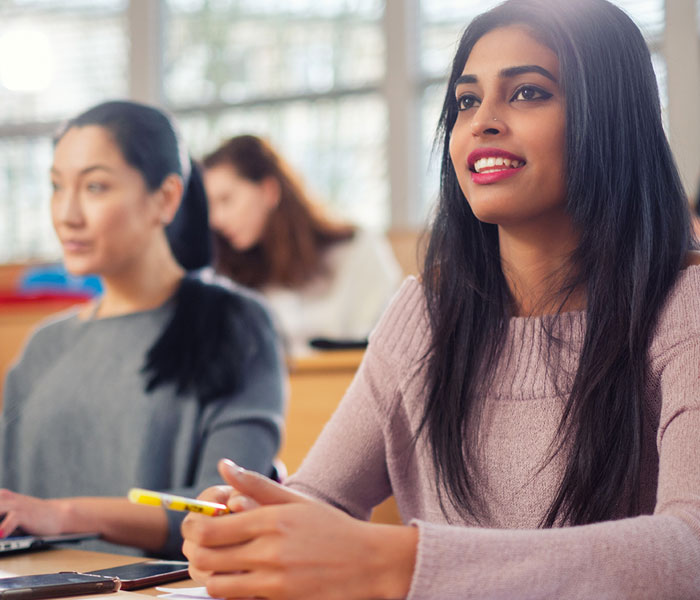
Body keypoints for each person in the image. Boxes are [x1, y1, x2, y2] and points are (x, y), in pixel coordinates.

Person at [180, 0, 700, 598]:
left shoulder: (684, 308)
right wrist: (258, 522)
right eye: (466, 101)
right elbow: (321, 497)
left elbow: (687, 548)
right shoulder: (425, 313)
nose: (483, 122)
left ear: (613, 118)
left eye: (528, 93)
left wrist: (399, 562)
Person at [0, 101, 285, 558]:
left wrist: (65, 516)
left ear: (166, 198)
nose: (67, 214)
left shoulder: (235, 322)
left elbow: (223, 504)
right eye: (56, 187)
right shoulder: (44, 346)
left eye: (94, 186)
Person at [202, 135, 402, 354]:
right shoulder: (229, 277)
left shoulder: (358, 250)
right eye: (210, 206)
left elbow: (388, 348)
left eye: (226, 200)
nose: (216, 219)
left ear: (269, 191)